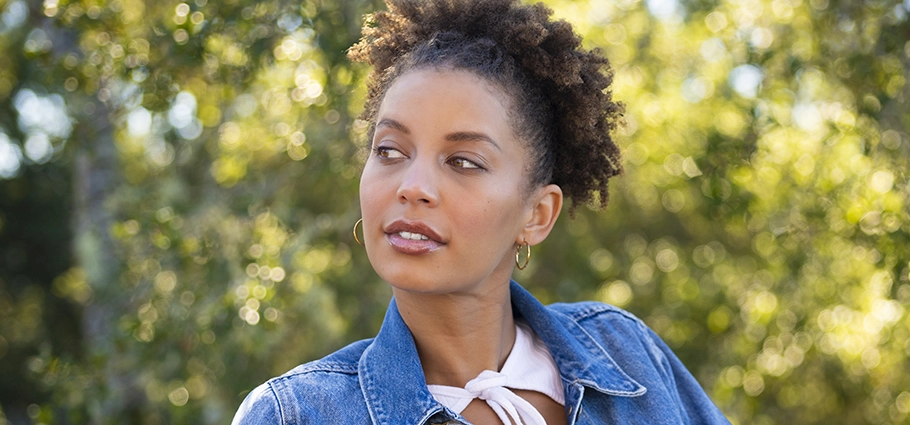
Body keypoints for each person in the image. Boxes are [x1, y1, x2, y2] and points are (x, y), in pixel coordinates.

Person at [232, 0, 728, 423]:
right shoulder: (296, 412)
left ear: (537, 215)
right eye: (389, 151)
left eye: (463, 161)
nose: (414, 187)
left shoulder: (622, 351)